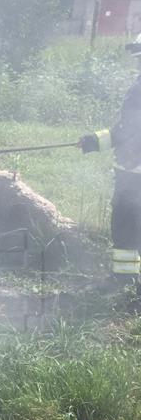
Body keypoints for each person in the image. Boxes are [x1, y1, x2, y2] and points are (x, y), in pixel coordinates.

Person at [79, 33, 141, 288]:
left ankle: (125, 281)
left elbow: (131, 132)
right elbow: (125, 130)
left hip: (135, 174)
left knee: (127, 226)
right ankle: (127, 282)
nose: (138, 62)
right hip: (132, 171)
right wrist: (94, 141)